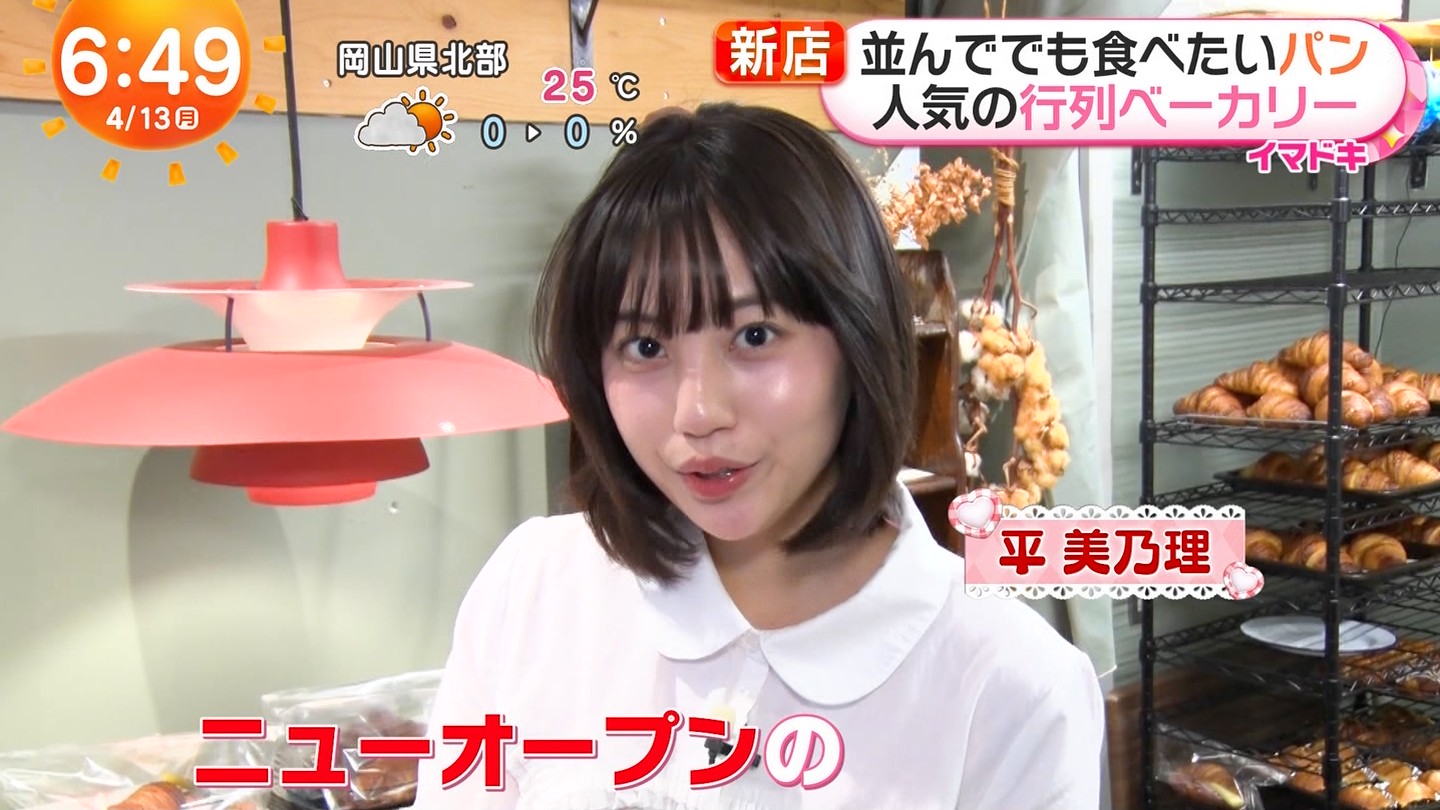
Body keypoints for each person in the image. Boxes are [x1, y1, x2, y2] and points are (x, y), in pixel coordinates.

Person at [412, 102, 1105, 810]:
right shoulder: (533, 588)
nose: (698, 413)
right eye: (645, 347)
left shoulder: (1014, 687)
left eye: (754, 336)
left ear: (859, 340)